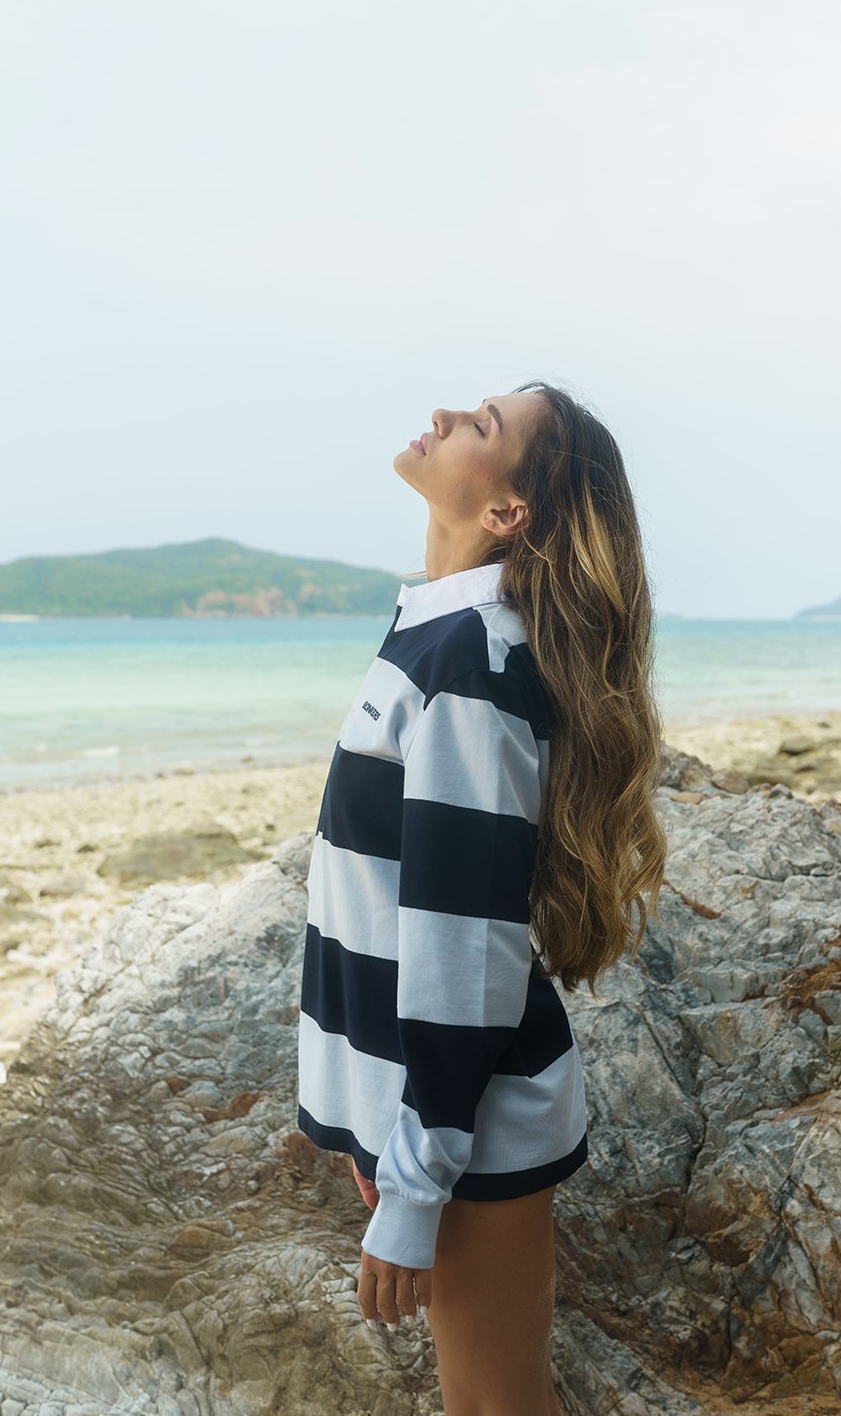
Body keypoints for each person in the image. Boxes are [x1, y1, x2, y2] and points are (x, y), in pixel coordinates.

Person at [296, 380, 667, 1416]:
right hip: (419, 1102)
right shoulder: (436, 634)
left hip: (461, 1118)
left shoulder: (470, 662)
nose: (450, 410)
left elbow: (467, 950)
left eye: (485, 425)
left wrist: (416, 1183)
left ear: (507, 513)